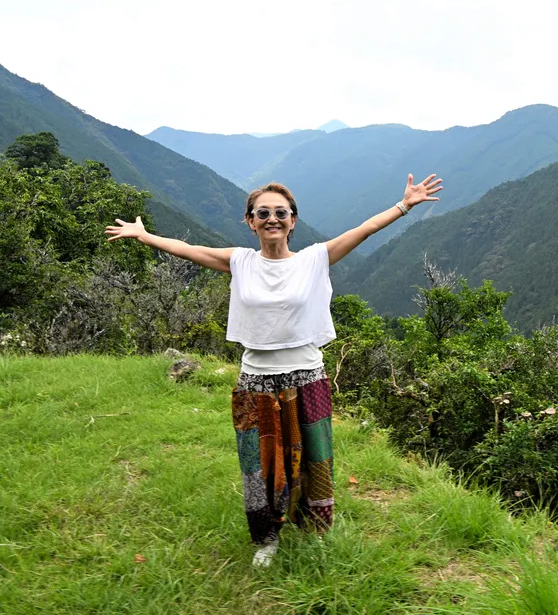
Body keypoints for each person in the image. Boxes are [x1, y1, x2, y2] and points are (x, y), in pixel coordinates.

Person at [106, 174, 443, 567]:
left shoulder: (315, 259)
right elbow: (188, 249)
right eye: (262, 213)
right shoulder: (240, 261)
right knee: (261, 462)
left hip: (307, 375)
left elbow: (364, 229)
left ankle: (314, 527)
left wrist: (404, 205)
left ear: (293, 220)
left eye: (280, 213)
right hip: (256, 379)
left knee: (315, 460)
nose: (272, 219)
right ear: (250, 221)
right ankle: (268, 536)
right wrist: (145, 236)